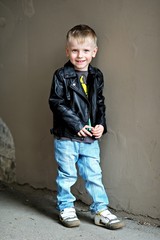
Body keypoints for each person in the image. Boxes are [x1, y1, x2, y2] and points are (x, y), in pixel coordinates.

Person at [49, 24, 124, 230]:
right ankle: (66, 207)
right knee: (67, 175)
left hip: (89, 138)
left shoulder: (96, 76)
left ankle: (100, 210)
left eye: (85, 50)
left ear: (94, 52)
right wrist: (77, 124)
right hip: (66, 137)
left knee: (94, 175)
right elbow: (56, 103)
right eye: (74, 50)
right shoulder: (61, 75)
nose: (79, 55)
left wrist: (101, 125)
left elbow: (99, 103)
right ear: (67, 51)